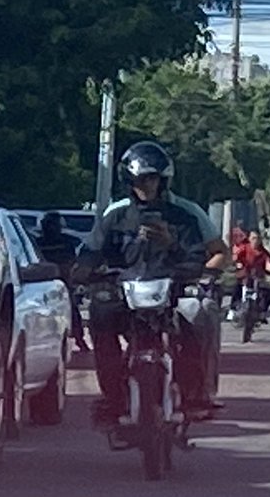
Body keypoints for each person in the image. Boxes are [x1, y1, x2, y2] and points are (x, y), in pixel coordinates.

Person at [80, 140, 228, 427]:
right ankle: (111, 396)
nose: (148, 186)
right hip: (126, 293)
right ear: (129, 181)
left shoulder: (185, 214)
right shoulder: (115, 214)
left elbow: (208, 253)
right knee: (99, 317)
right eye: (141, 180)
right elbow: (92, 251)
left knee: (201, 312)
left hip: (175, 291)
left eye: (153, 179)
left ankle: (197, 395)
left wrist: (177, 250)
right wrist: (82, 272)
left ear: (164, 180)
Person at [38, 211, 90, 352]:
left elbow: (72, 262)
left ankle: (80, 340)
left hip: (63, 283)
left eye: (55, 225)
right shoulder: (38, 244)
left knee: (72, 312)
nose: (52, 229)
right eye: (49, 225)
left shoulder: (66, 243)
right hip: (43, 284)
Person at [229, 230, 270, 321]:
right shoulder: (244, 248)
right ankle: (233, 310)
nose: (256, 241)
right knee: (237, 287)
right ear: (249, 239)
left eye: (258, 238)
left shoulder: (263, 252)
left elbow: (268, 263)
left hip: (258, 276)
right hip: (245, 274)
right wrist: (237, 263)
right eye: (253, 238)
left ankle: (262, 312)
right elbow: (235, 258)